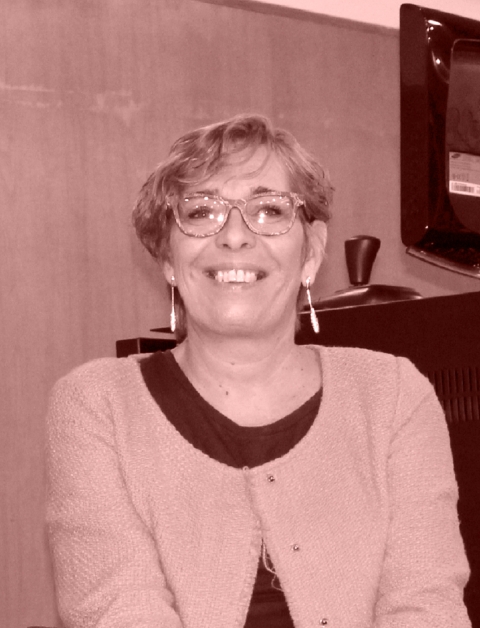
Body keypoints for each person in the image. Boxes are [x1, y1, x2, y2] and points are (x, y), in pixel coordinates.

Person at [46, 114, 471, 628]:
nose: (234, 237)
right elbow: (118, 612)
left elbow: (426, 608)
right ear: (167, 258)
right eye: (201, 211)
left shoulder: (395, 398)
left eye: (269, 210)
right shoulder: (97, 406)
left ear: (311, 253)